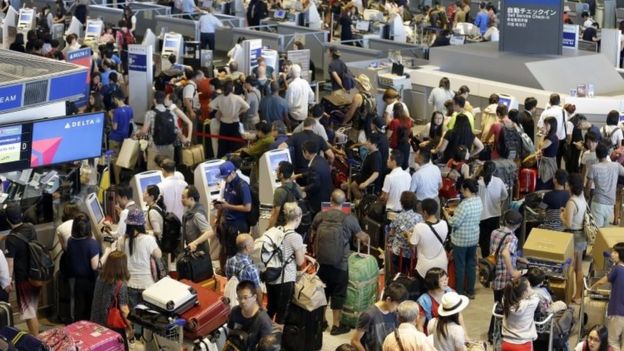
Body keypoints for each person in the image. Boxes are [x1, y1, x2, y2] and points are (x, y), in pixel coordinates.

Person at [312, 189, 369, 336]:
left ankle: (322, 322)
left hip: (322, 262)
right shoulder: (349, 219)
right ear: (344, 203)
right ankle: (336, 325)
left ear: (330, 199)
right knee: (338, 293)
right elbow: (361, 237)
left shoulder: (320, 216)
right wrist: (367, 237)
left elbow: (313, 232)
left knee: (323, 291)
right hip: (340, 263)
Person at [265, 203, 305, 325]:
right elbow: (300, 261)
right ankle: (277, 340)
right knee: (282, 313)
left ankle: (263, 335)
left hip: (271, 276)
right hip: (284, 279)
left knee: (271, 308)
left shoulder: (277, 230)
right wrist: (302, 251)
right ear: (298, 218)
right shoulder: (295, 237)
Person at [487, 210, 525, 341]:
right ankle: (497, 335)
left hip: (494, 274)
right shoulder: (512, 238)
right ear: (518, 225)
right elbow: (504, 253)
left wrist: (518, 259)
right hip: (505, 278)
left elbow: (495, 251)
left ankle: (492, 333)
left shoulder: (495, 232)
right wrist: (513, 272)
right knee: (504, 308)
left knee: (497, 305)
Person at [4, 203, 40, 334]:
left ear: (7, 220)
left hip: (24, 279)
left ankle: (37, 342)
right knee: (33, 309)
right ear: (20, 215)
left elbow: (10, 265)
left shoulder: (11, 239)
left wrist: (8, 281)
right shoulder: (30, 228)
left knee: (29, 313)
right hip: (35, 274)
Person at [445, 179, 482, 298]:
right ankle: (470, 291)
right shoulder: (478, 200)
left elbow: (454, 223)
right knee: (471, 265)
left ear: (467, 189)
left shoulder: (464, 204)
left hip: (460, 240)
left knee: (460, 266)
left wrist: (446, 214)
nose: (461, 192)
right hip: (473, 237)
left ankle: (459, 292)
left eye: (462, 189)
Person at [65, 213, 103, 322]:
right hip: (90, 281)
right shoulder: (92, 243)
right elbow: (95, 266)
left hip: (77, 281)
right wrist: (106, 254)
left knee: (79, 308)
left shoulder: (70, 241)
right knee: (90, 309)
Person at [90, 251, 132, 349]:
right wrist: (130, 326)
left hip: (95, 323)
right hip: (111, 326)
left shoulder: (100, 278)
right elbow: (124, 310)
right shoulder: (121, 285)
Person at [351, 283, 409, 351]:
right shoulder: (368, 315)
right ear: (388, 300)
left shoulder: (395, 314)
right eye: (397, 304)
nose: (398, 308)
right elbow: (355, 341)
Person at [137, 91, 187, 171]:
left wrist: (137, 134)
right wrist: (184, 139)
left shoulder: (150, 113)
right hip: (170, 147)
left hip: (155, 147)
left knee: (154, 172)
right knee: (168, 172)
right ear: (164, 100)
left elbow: (144, 131)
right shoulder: (171, 113)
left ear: (154, 100)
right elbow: (177, 130)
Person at [121, 209, 161, 308]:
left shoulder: (123, 241)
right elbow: (158, 255)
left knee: (134, 317)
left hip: (129, 284)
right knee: (147, 317)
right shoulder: (149, 239)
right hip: (147, 285)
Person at [215, 162, 251, 267]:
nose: (224, 179)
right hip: (227, 223)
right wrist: (219, 216)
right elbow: (225, 201)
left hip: (238, 224)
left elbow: (247, 207)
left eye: (225, 177)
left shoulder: (242, 186)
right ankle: (225, 272)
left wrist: (228, 206)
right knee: (225, 249)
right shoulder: (227, 183)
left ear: (233, 173)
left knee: (236, 253)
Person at [592, 242, 624, 351]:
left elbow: (603, 281)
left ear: (621, 255)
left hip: (617, 312)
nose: (612, 254)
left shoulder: (618, 269)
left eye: (615, 252)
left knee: (612, 341)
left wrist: (592, 287)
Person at [562, 173, 589, 304]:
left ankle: (574, 295)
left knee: (572, 268)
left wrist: (562, 215)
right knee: (579, 267)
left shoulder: (571, 202)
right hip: (582, 235)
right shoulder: (582, 198)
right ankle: (578, 295)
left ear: (571, 185)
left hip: (573, 236)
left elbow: (568, 223)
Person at [410, 198, 449, 282]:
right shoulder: (444, 224)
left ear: (424, 212)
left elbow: (412, 244)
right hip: (442, 265)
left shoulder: (419, 227)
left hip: (424, 268)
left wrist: (408, 236)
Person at [228, 280, 273, 351]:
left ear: (254, 297)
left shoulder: (264, 321)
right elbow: (230, 331)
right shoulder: (235, 311)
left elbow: (266, 347)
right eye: (239, 298)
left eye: (246, 297)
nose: (242, 301)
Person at [586, 143, 624, 227]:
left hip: (598, 202)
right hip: (610, 203)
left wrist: (587, 196)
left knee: (596, 232)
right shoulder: (616, 166)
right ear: (607, 154)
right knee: (604, 233)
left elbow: (588, 185)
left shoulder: (594, 167)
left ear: (597, 154)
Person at [209, 79, 250, 157]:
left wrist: (220, 109)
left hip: (224, 123)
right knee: (235, 146)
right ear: (233, 88)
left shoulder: (220, 97)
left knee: (222, 146)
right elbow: (247, 107)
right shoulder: (237, 97)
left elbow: (210, 105)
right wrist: (238, 112)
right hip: (234, 122)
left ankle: (221, 161)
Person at [477, 160, 509, 258]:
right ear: (494, 170)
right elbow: (505, 196)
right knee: (494, 240)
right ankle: (494, 260)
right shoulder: (499, 181)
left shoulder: (478, 183)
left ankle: (485, 262)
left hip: (481, 217)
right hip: (495, 215)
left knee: (484, 242)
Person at [501, 277, 540, 351]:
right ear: (524, 292)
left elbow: (507, 295)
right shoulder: (530, 304)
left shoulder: (506, 301)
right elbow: (536, 296)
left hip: (506, 343)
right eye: (529, 286)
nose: (531, 287)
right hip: (523, 344)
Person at [388, 192, 422, 274]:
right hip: (413, 252)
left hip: (398, 252)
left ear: (401, 203)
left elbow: (391, 233)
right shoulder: (419, 217)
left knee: (398, 273)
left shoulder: (397, 217)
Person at [225, 234, 263, 305]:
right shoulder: (251, 268)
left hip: (234, 299)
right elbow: (258, 291)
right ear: (247, 248)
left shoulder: (229, 261)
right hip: (247, 303)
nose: (254, 245)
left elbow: (229, 279)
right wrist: (261, 307)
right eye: (252, 243)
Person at [267, 161, 304, 229]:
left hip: (283, 226)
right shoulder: (297, 186)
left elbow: (275, 214)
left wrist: (268, 230)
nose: (276, 172)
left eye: (277, 171)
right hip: (295, 224)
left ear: (281, 175)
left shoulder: (279, 192)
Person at [181, 184, 215, 255]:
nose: (181, 200)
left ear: (191, 199)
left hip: (199, 253)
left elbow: (209, 231)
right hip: (193, 251)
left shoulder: (197, 214)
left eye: (183, 197)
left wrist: (195, 243)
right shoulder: (189, 211)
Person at [302, 140, 333, 216]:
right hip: (327, 195)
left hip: (318, 201)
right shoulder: (320, 159)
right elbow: (315, 173)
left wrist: (303, 189)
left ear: (306, 152)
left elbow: (315, 185)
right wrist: (300, 175)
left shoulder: (314, 166)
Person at [349, 133, 382, 201]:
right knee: (345, 183)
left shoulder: (375, 157)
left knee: (352, 186)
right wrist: (355, 145)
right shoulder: (371, 152)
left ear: (375, 145)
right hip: (362, 175)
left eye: (369, 142)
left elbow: (376, 173)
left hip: (366, 179)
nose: (367, 143)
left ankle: (362, 202)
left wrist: (365, 183)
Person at [537, 93, 567, 168]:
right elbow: (565, 124)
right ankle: (556, 176)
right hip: (560, 140)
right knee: (557, 161)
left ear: (549, 102)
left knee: (546, 158)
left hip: (548, 138)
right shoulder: (563, 112)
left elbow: (539, 126)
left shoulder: (546, 112)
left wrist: (543, 133)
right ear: (559, 102)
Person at [344, 74, 375, 143]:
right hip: (367, 127)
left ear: (360, 84)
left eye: (357, 82)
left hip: (357, 127)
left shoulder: (358, 96)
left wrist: (344, 122)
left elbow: (350, 113)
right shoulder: (372, 97)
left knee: (352, 145)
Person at [387, 104, 413, 169]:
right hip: (406, 145)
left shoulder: (394, 122)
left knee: (397, 164)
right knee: (405, 163)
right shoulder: (408, 120)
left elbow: (388, 136)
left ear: (394, 111)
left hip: (396, 146)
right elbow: (410, 132)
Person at [536, 117, 559, 190]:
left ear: (552, 125)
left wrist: (543, 134)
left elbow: (541, 146)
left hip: (548, 164)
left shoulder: (551, 137)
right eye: (544, 124)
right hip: (548, 162)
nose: (544, 126)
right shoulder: (552, 136)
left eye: (546, 124)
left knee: (545, 181)